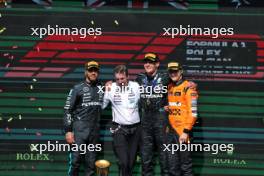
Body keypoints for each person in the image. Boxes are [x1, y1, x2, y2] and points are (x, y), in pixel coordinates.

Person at [63, 61, 104, 176]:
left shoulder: (102, 87)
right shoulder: (77, 88)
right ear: (86, 72)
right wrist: (68, 131)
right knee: (75, 162)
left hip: (94, 130)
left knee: (91, 164)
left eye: (95, 70)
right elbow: (67, 110)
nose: (93, 73)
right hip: (79, 129)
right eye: (91, 70)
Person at [102, 65, 141, 176]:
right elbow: (102, 106)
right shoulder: (111, 87)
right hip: (119, 129)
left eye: (122, 78)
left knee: (131, 162)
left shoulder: (136, 86)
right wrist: (104, 90)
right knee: (124, 162)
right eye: (117, 79)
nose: (120, 81)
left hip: (135, 130)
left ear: (128, 76)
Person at [135, 53, 170, 176]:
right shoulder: (139, 77)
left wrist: (191, 84)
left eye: (150, 62)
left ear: (157, 64)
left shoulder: (166, 77)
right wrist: (110, 84)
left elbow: (180, 83)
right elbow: (124, 85)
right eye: (146, 62)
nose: (147, 64)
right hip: (145, 119)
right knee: (145, 156)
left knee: (164, 155)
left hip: (160, 118)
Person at [164, 62, 198, 176]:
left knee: (185, 167)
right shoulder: (169, 86)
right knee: (172, 167)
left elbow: (193, 113)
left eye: (175, 71)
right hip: (170, 132)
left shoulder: (189, 88)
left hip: (183, 133)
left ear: (181, 71)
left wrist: (185, 132)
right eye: (171, 72)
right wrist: (167, 107)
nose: (173, 74)